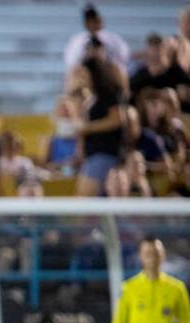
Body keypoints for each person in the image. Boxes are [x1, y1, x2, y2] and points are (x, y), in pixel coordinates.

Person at [75, 56, 124, 196]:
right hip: (92, 155)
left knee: (84, 202)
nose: (81, 76)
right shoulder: (92, 97)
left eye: (84, 72)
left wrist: (88, 127)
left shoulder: (108, 93)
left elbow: (116, 119)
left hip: (104, 154)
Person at [64, 4, 130, 72]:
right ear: (85, 23)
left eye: (94, 20)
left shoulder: (112, 39)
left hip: (107, 73)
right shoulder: (77, 41)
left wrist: (105, 58)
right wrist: (87, 56)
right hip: (86, 74)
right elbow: (70, 62)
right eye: (89, 20)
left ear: (100, 20)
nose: (92, 23)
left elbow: (124, 57)